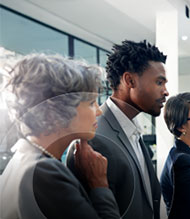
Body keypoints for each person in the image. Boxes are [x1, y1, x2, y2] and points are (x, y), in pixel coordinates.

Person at [0, 54, 120, 219]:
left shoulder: (23, 158)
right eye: (92, 103)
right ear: (56, 111)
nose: (99, 111)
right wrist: (99, 184)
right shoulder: (44, 173)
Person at [67, 40, 168, 219]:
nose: (165, 91)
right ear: (129, 80)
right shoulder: (92, 137)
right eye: (159, 82)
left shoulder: (133, 128)